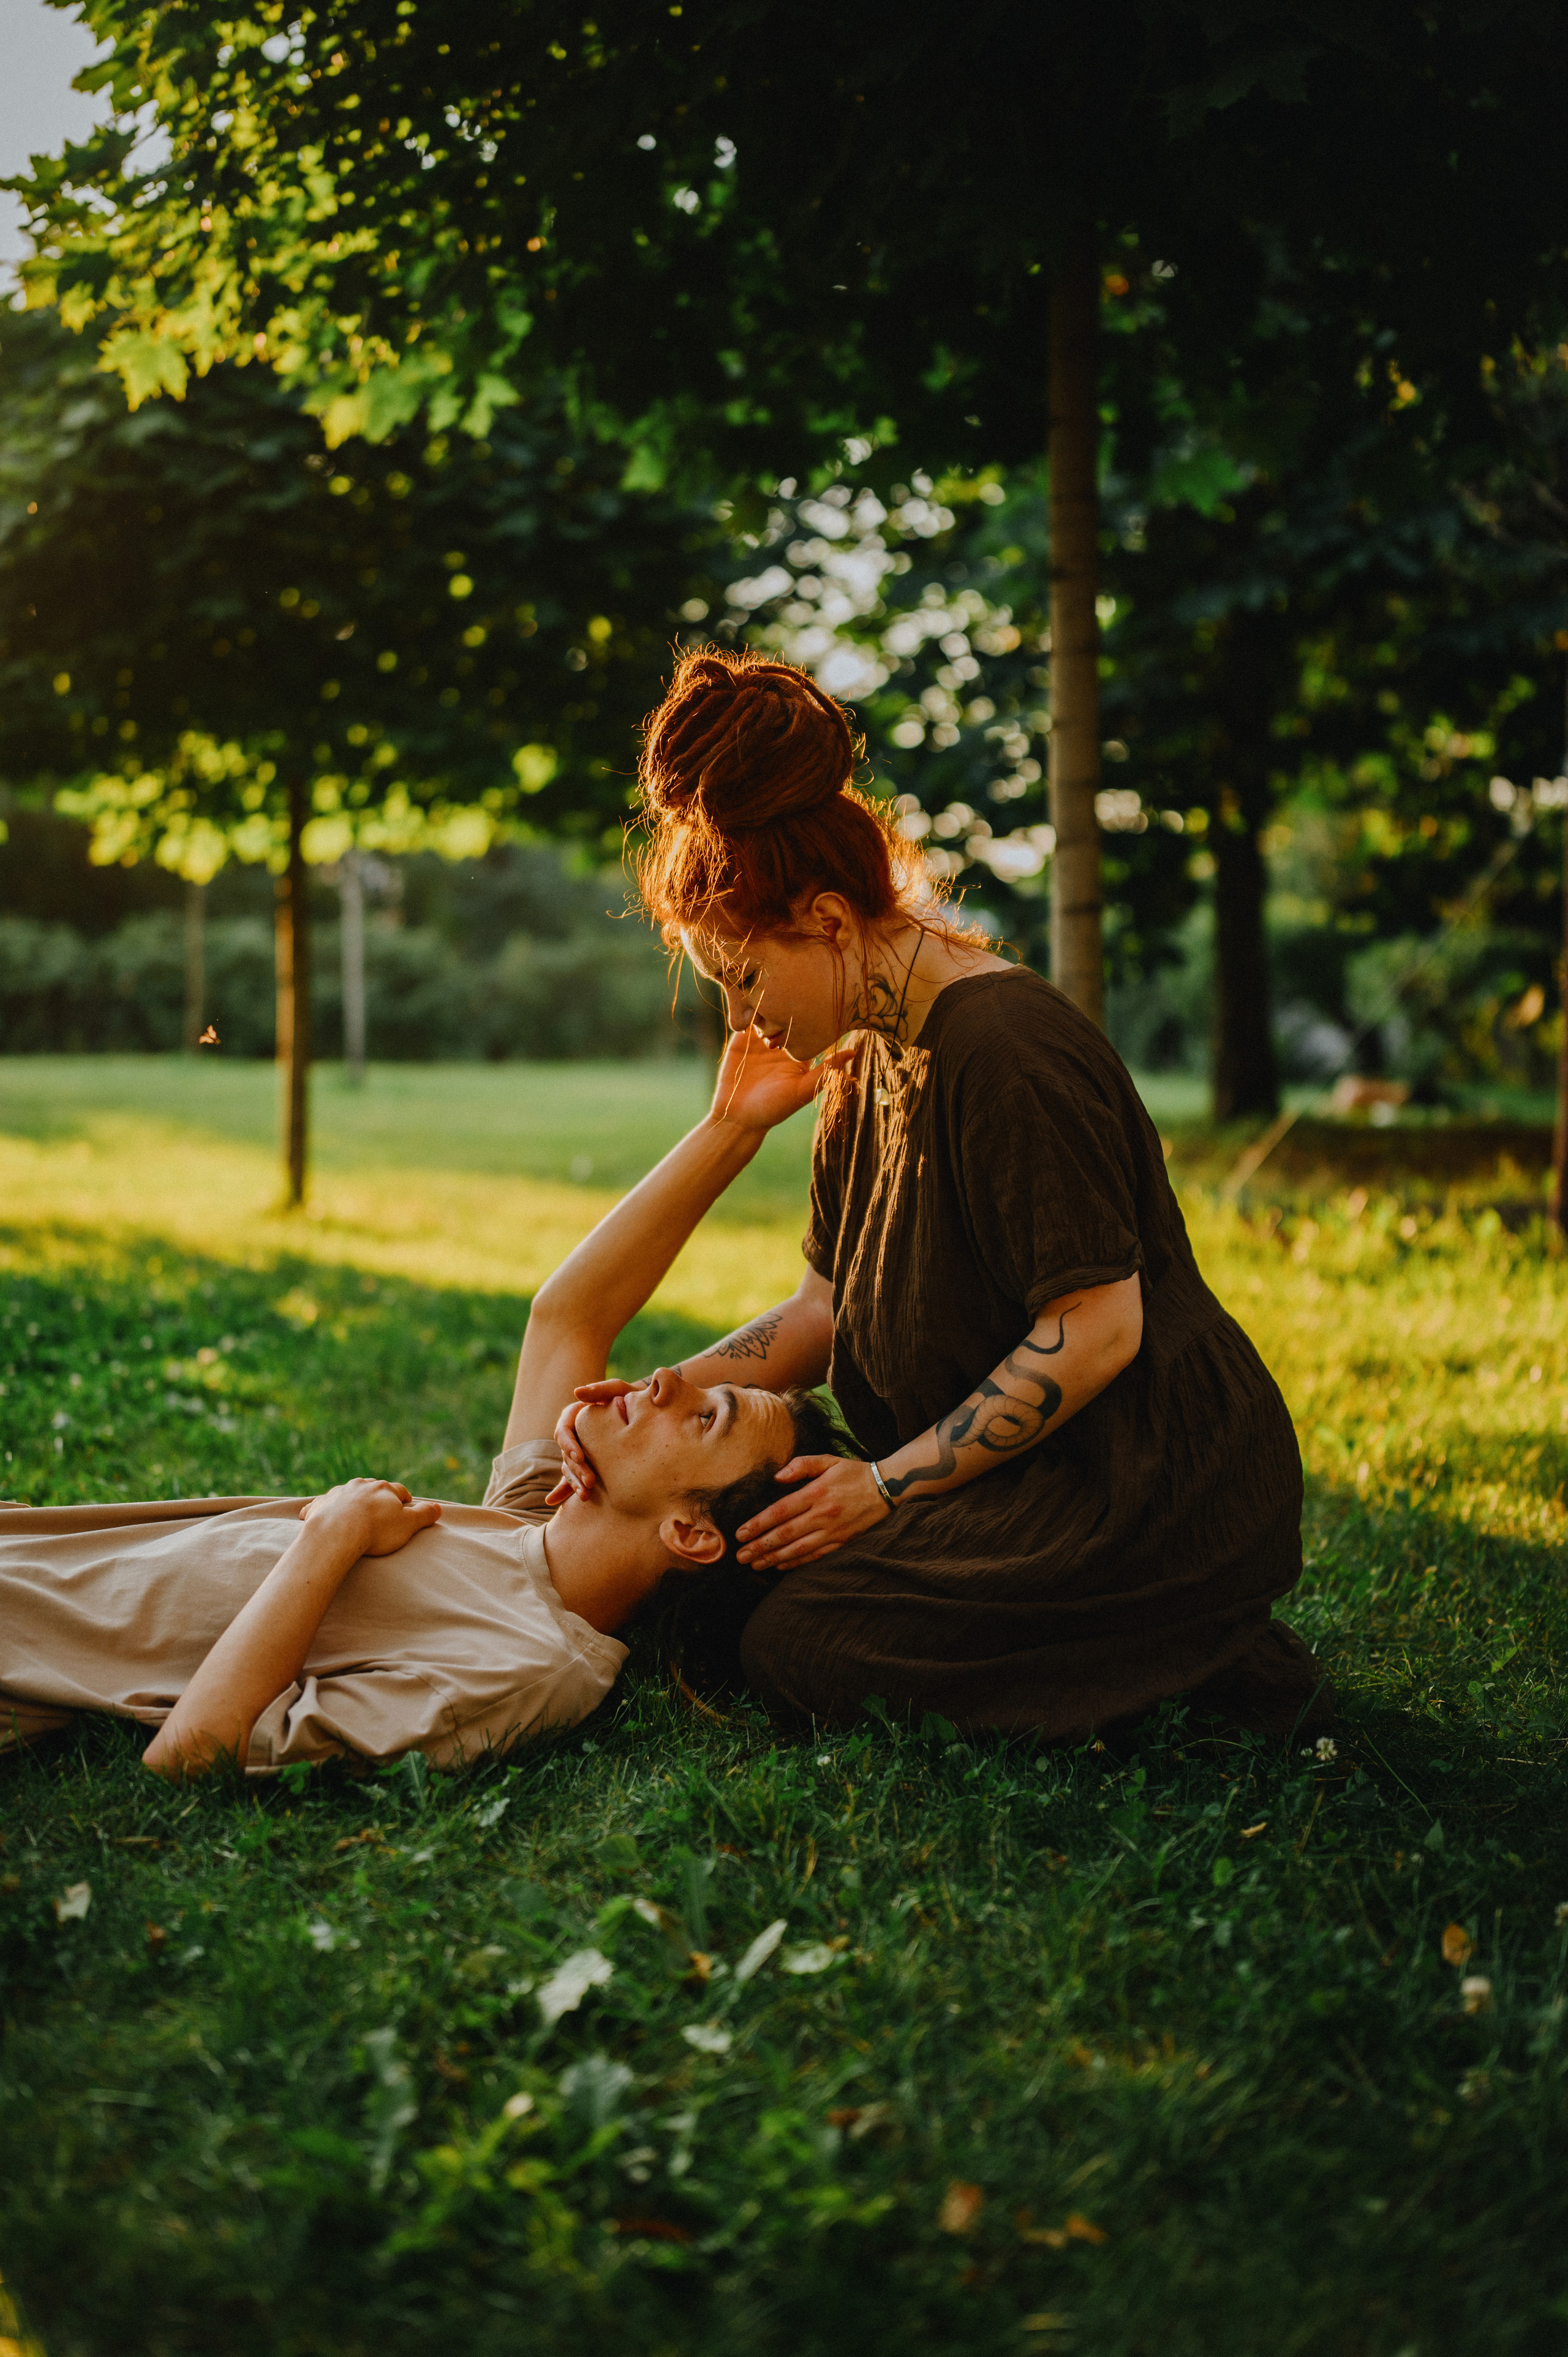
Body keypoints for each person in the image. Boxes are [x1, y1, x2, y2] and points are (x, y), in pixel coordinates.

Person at [562, 646, 1330, 1743]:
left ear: (827, 921)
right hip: (1013, 1473)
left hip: (1139, 1487)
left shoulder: (1006, 1048)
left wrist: (882, 1490)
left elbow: (1097, 1331)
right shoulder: (863, 1054)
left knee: (800, 1646)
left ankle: (1196, 1655)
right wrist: (653, 1401)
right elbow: (823, 1311)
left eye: (744, 977)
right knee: (762, 1597)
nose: (743, 1019)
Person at [0, 1031, 848, 1780]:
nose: (666, 1379)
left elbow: (193, 1756)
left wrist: (333, 1537)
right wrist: (733, 1126)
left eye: (707, 1417)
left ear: (691, 1534)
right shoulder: (525, 1526)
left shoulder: (528, 1664)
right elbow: (569, 1322)